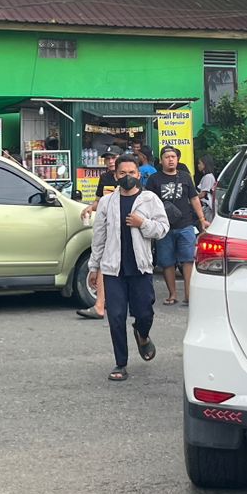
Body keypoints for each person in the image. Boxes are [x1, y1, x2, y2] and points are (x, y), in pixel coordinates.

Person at [88, 154, 168, 381]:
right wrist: (94, 267)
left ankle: (142, 335)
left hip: (140, 267)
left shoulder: (149, 199)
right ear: (115, 176)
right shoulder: (107, 202)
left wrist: (143, 224)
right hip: (114, 269)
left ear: (139, 174)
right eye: (122, 173)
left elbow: (162, 228)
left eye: (131, 173)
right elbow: (99, 237)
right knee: (116, 316)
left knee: (144, 313)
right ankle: (120, 363)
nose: (127, 177)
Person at [147, 146, 209, 306]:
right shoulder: (154, 179)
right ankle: (172, 294)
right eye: (167, 157)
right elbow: (148, 202)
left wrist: (202, 219)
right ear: (161, 161)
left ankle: (189, 295)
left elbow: (194, 198)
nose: (170, 160)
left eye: (173, 157)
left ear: (177, 159)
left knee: (188, 259)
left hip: (185, 225)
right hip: (163, 227)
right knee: (167, 261)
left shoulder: (185, 177)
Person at [78, 151, 122, 321]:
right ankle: (100, 305)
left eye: (113, 158)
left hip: (127, 226)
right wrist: (90, 207)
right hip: (108, 225)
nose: (110, 161)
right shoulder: (104, 178)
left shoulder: (129, 176)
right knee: (104, 262)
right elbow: (99, 201)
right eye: (107, 159)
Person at [195, 153, 218, 219]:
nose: (198, 165)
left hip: (208, 208)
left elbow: (203, 194)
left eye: (199, 163)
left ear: (204, 164)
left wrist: (192, 199)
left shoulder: (208, 177)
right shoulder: (207, 176)